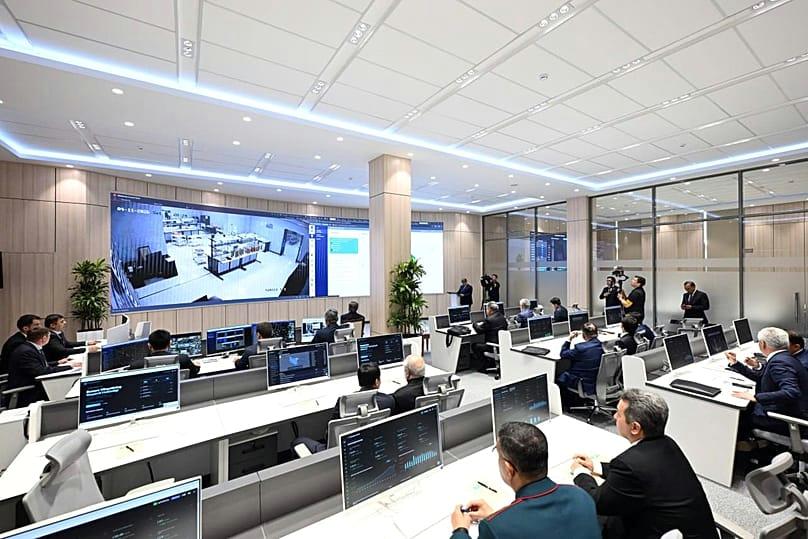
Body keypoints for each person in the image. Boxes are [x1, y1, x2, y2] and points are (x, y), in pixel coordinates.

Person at [572, 389, 716, 539]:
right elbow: (640, 475)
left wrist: (580, 473)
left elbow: (597, 503)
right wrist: (596, 466)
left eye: (619, 414)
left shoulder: (628, 464)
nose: (614, 416)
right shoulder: (668, 444)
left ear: (635, 428)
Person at [450, 422, 600, 539]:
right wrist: (499, 517)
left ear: (509, 469)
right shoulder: (581, 496)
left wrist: (460, 529)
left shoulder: (494, 528)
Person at [292, 362, 395, 454]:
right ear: (377, 382)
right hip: (373, 447)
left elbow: (328, 434)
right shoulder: (389, 401)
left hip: (340, 451)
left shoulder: (344, 403)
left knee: (298, 441)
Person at [727, 327, 808, 437]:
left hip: (788, 420)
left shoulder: (779, 362)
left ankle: (747, 444)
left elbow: (792, 392)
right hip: (792, 410)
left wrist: (756, 397)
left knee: (740, 415)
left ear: (762, 344)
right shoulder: (785, 357)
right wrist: (735, 364)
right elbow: (763, 377)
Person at [6, 328, 79, 408]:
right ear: (44, 338)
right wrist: (69, 367)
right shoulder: (27, 351)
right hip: (27, 391)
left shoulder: (30, 347)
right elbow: (40, 371)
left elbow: (39, 365)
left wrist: (58, 362)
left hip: (34, 384)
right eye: (49, 336)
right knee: (63, 390)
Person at [556, 322, 603, 407]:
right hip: (597, 381)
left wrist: (569, 339)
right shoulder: (600, 345)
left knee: (559, 376)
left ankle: (567, 405)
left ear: (584, 335)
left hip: (583, 383)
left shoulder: (580, 348)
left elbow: (563, 353)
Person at [130, 329, 200, 378]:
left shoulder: (136, 366)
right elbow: (194, 372)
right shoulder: (183, 359)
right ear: (169, 345)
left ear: (149, 346)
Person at [471, 302, 508, 372]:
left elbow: (479, 330)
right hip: (502, 345)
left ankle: (483, 366)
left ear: (490, 310)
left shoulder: (489, 320)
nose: (486, 311)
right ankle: (491, 363)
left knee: (475, 346)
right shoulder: (502, 317)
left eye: (487, 309)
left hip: (492, 346)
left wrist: (474, 324)